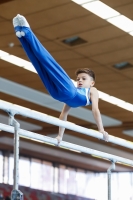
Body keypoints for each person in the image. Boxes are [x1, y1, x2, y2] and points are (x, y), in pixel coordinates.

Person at [12, 14, 109, 144]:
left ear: (92, 82)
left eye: (83, 79)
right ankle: (24, 31)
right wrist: (60, 136)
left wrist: (101, 130)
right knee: (46, 61)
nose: (79, 80)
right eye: (78, 78)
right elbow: (64, 115)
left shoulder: (93, 90)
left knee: (38, 64)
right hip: (66, 92)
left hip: (56, 94)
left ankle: (23, 36)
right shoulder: (74, 91)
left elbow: (94, 110)